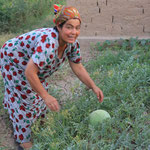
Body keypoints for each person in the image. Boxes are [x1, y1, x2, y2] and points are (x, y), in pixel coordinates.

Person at [0, 4, 104, 150]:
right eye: (69, 27)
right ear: (59, 27)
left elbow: (77, 66)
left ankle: (39, 122)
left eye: (77, 27)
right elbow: (30, 73)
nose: (74, 32)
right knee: (24, 98)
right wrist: (46, 96)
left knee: (39, 89)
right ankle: (24, 141)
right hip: (13, 58)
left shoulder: (71, 43)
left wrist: (93, 86)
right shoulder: (48, 43)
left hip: (31, 61)